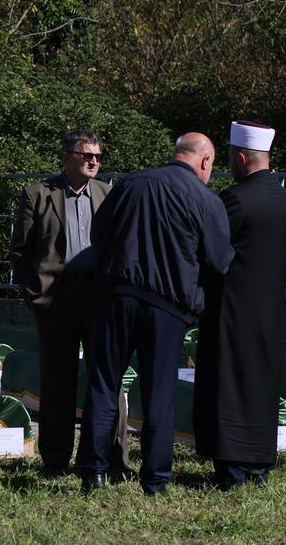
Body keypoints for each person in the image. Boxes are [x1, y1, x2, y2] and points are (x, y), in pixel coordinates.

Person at [78, 132, 233, 496]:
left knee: (103, 384)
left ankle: (92, 472)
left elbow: (98, 234)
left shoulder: (130, 183)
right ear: (205, 162)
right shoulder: (204, 198)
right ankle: (156, 479)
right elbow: (219, 260)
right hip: (167, 306)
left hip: (117, 297)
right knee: (159, 393)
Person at [7, 130, 116, 478]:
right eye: (87, 155)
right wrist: (33, 293)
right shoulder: (38, 194)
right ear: (66, 157)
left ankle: (107, 459)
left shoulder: (107, 193)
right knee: (57, 382)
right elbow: (19, 251)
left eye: (98, 156)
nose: (94, 162)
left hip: (98, 298)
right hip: (56, 298)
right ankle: (54, 461)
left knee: (105, 380)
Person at [194, 121, 286, 488]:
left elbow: (211, 251)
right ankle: (259, 464)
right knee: (260, 385)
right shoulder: (284, 201)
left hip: (230, 308)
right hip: (268, 312)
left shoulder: (235, 199)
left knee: (229, 385)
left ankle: (232, 466)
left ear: (240, 158)